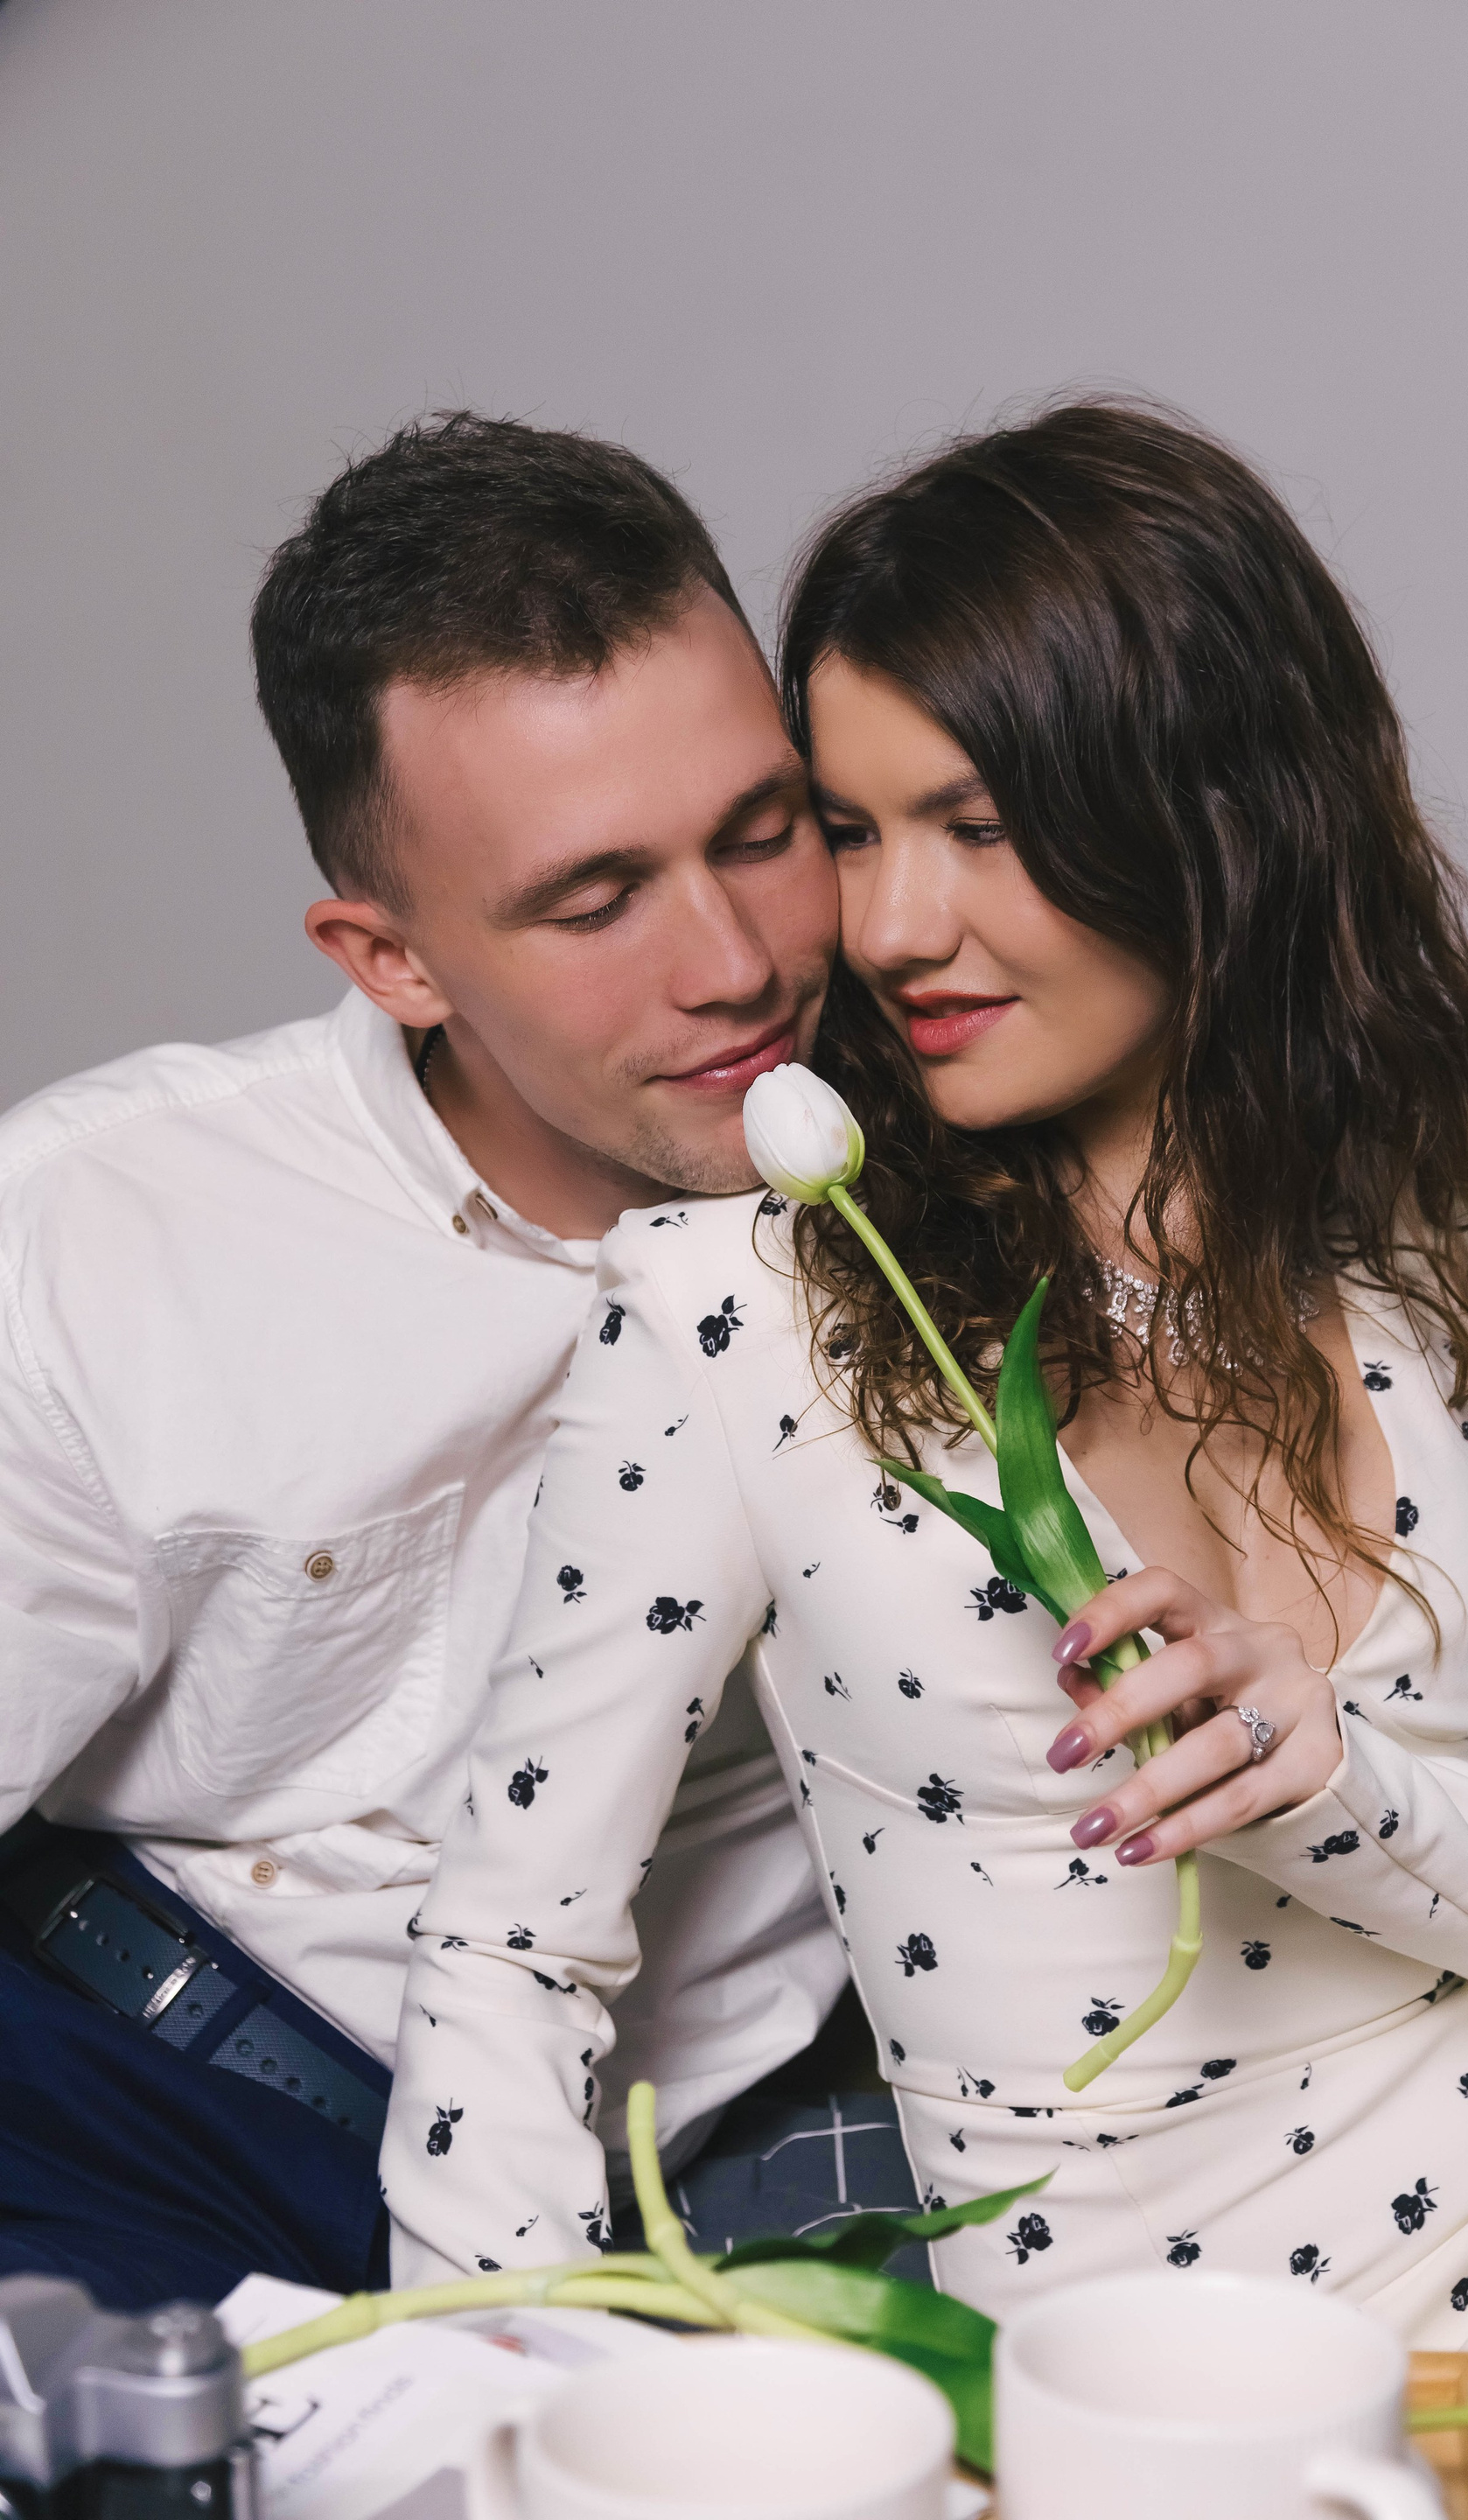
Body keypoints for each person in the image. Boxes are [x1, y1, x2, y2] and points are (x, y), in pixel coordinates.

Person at [383, 402, 1468, 2513]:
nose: (892, 928)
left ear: (1208, 815)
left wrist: (1342, 1792)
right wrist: (486, 2459)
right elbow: (514, 1959)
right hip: (1196, 2399)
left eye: (976, 826)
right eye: (850, 830)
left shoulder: (1464, 1256)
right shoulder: (745, 1318)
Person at [0, 410, 925, 2312]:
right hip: (141, 2096)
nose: (736, 963)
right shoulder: (95, 1237)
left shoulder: (969, 1130)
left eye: (764, 833)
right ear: (391, 959)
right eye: (597, 902)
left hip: (697, 2166)